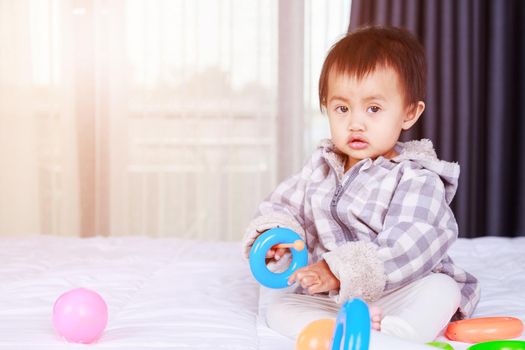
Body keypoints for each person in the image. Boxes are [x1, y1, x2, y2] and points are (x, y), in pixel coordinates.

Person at [242, 26, 480, 343]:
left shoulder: (416, 177)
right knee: (279, 307)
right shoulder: (319, 170)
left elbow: (411, 244)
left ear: (409, 112)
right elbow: (281, 207)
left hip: (400, 291)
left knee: (442, 290)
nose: (356, 122)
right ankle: (337, 334)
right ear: (326, 107)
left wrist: (338, 270)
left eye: (373, 109)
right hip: (336, 300)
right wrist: (276, 237)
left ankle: (393, 337)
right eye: (342, 108)